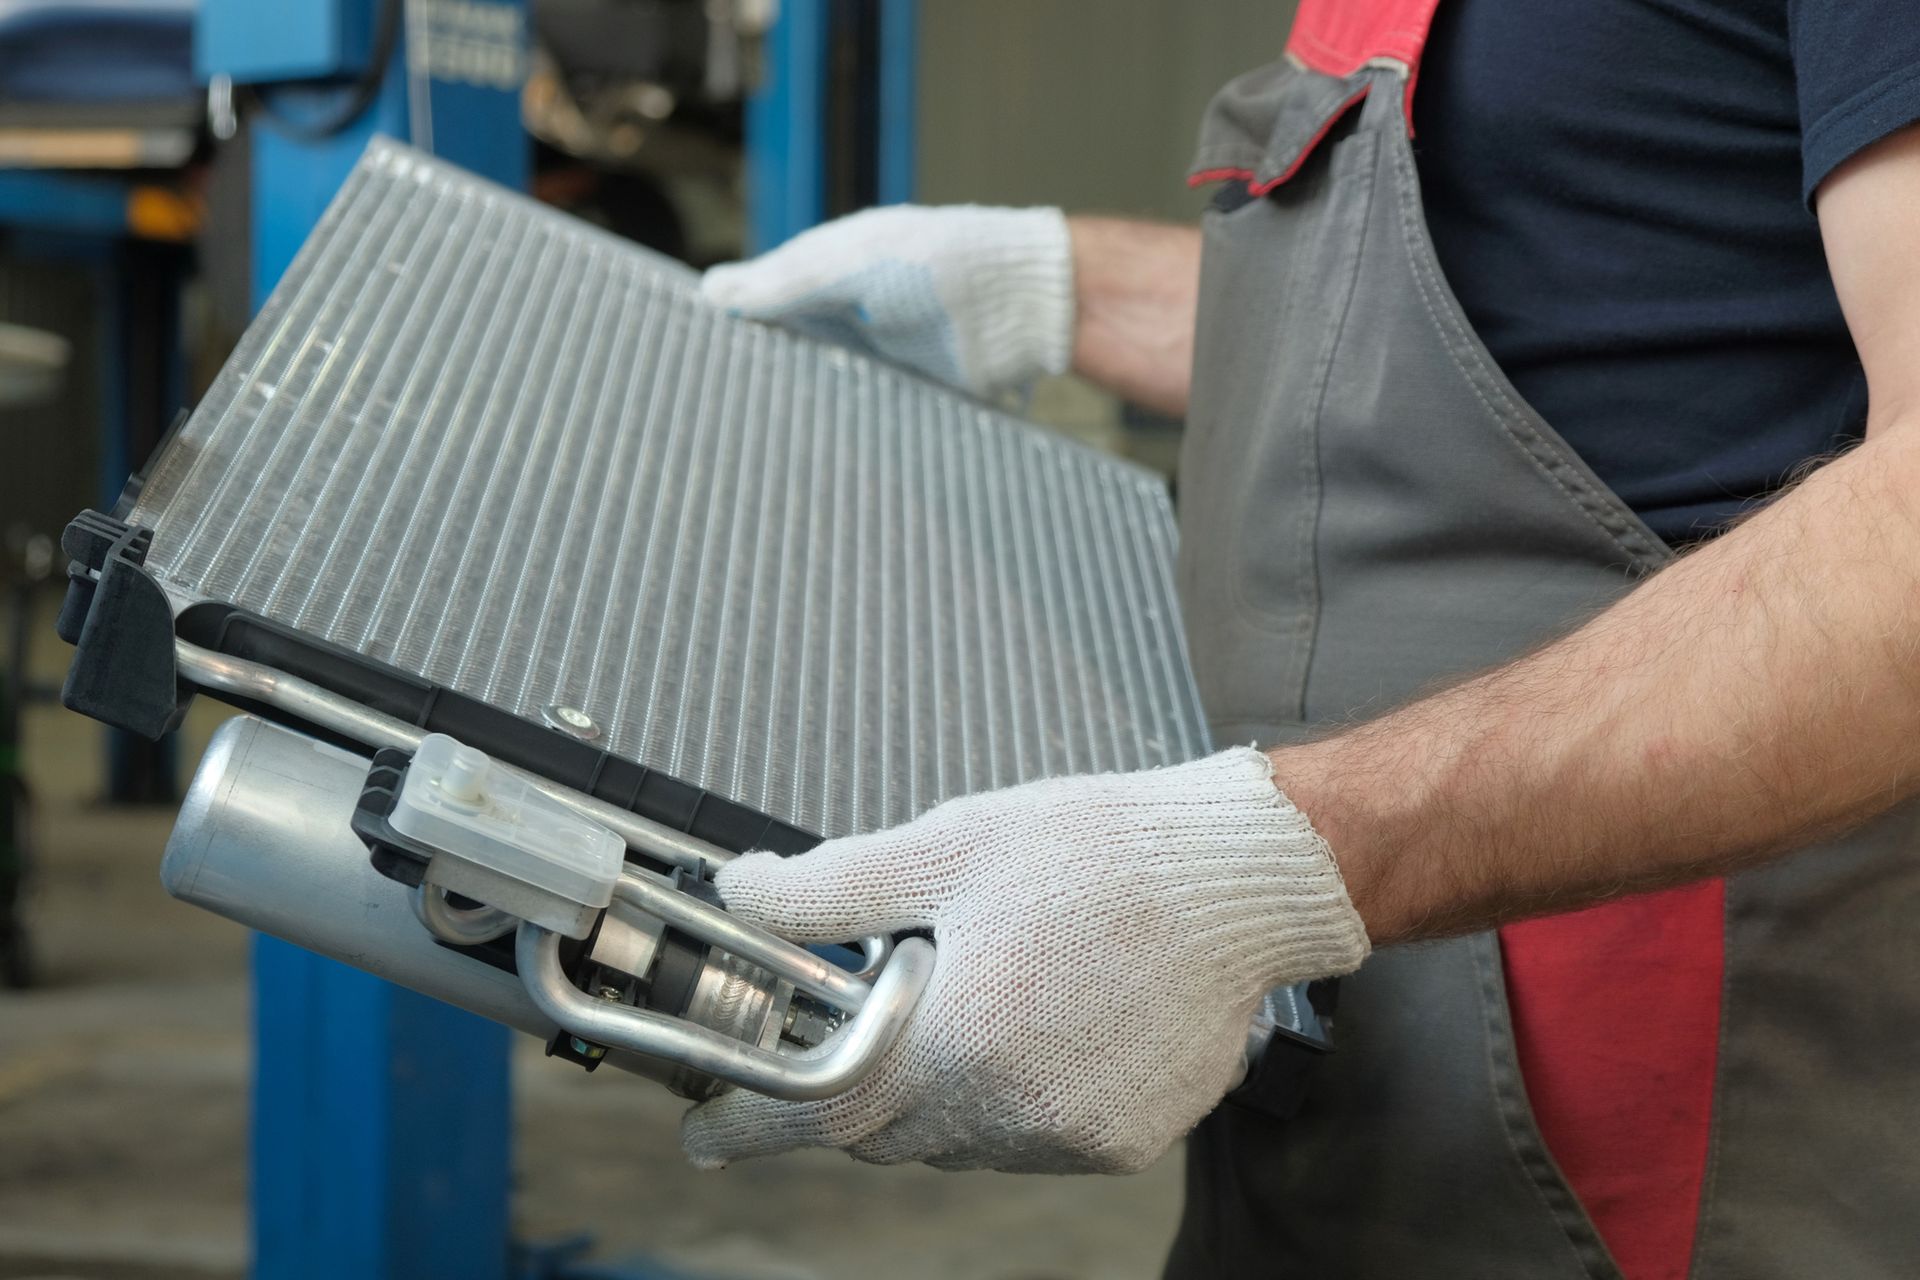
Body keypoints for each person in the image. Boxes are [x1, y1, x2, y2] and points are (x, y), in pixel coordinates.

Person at [678, 1, 1920, 1275]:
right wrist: (1056, 285)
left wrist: (1275, 856)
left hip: (1621, 1103)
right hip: (1325, 1056)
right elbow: (1581, 314)